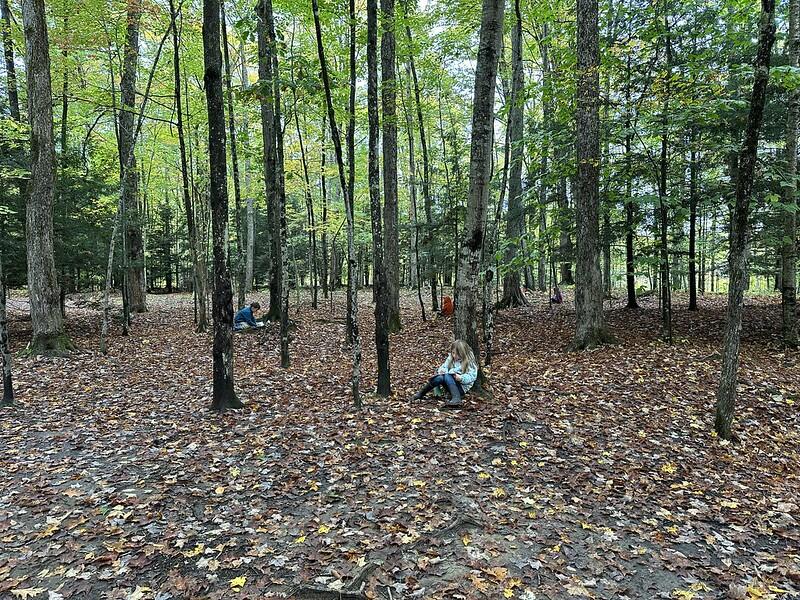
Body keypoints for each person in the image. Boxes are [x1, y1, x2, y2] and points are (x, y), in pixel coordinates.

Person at [412, 339, 478, 407]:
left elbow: (472, 376)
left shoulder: (469, 361)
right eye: (453, 353)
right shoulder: (451, 358)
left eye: (458, 354)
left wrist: (461, 378)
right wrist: (442, 370)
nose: (455, 356)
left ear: (463, 353)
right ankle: (421, 393)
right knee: (440, 377)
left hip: (461, 388)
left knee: (447, 376)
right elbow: (444, 367)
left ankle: (456, 398)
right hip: (448, 383)